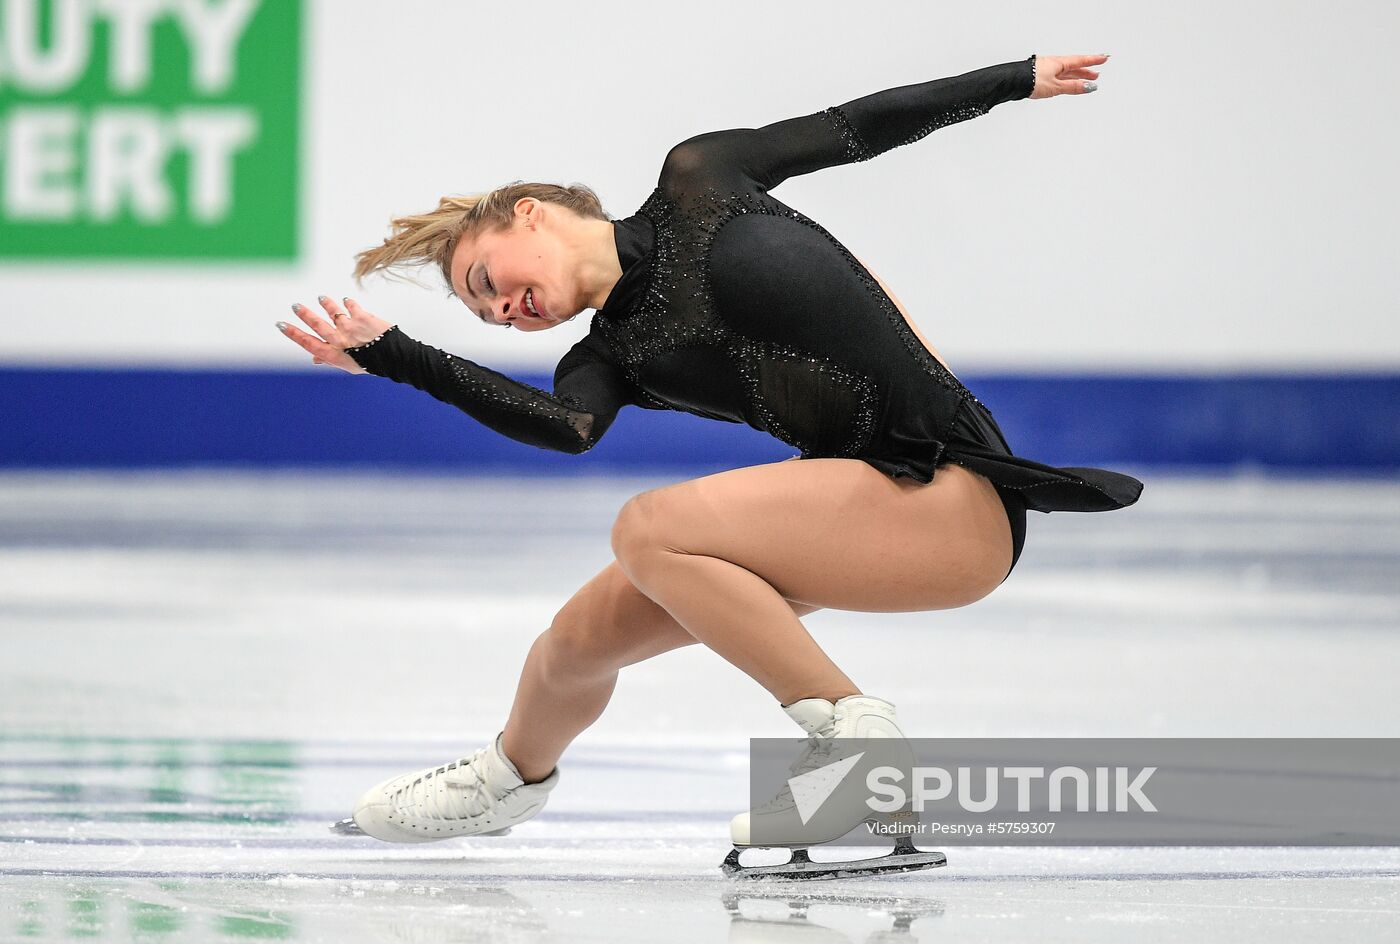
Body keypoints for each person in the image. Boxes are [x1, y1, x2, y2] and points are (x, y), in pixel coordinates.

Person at [278, 53, 1140, 869]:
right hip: (861, 510)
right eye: (492, 317)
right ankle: (507, 781)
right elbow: (567, 427)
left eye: (487, 280)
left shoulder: (701, 178)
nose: (505, 309)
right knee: (573, 645)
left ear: (529, 213)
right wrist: (398, 356)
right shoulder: (604, 359)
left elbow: (853, 126)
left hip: (954, 497)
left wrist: (1012, 80)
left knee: (648, 529)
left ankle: (851, 744)